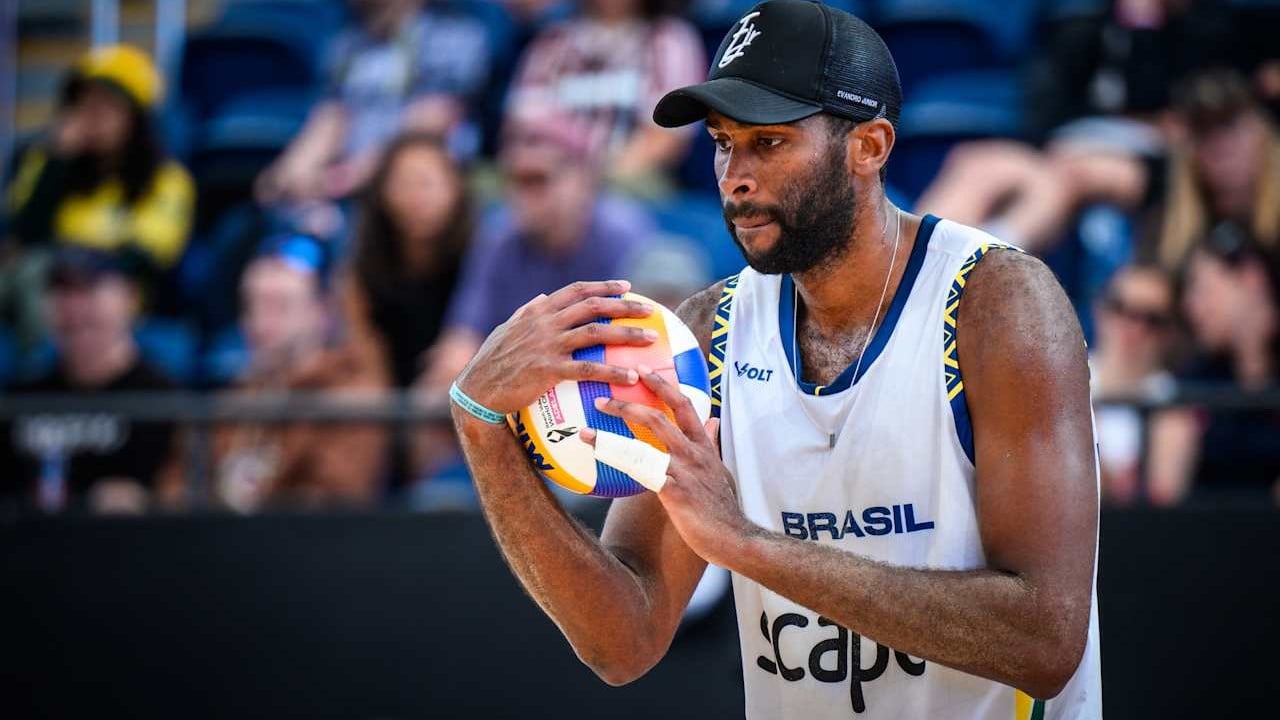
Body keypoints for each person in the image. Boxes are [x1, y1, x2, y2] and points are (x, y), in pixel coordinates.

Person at [447, 2, 1101, 718]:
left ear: (870, 146)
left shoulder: (997, 306)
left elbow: (1045, 642)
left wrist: (748, 546)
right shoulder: (707, 335)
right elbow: (624, 641)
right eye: (724, 142)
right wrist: (484, 430)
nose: (735, 175)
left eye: (768, 142)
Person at [423, 108, 654, 394]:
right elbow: (461, 341)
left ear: (582, 179)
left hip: (603, 385)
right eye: (516, 181)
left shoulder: (622, 233)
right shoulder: (499, 236)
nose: (523, 197)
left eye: (537, 180)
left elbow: (641, 344)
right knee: (438, 390)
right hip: (520, 386)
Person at [163, 235, 389, 512]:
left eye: (279, 306)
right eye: (251, 305)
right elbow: (176, 485)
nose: (260, 322)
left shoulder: (350, 400)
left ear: (322, 312)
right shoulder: (235, 397)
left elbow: (331, 504)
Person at [3, 45, 194, 348]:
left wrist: (78, 266)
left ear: (136, 118)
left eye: (107, 105)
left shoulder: (166, 178)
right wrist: (57, 165)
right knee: (31, 273)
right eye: (84, 104)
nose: (93, 116)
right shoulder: (46, 159)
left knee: (46, 279)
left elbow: (147, 259)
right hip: (44, 286)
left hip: (118, 296)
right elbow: (22, 235)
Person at [254, 0, 491, 210]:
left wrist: (342, 181)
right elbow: (331, 117)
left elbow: (431, 120)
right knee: (257, 227)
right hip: (347, 190)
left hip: (417, 191)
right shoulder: (350, 41)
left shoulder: (455, 33)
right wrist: (292, 172)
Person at [0, 247, 178, 514]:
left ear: (130, 299)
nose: (75, 308)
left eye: (89, 290)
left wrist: (147, 501)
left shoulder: (166, 402)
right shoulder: (22, 399)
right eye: (62, 292)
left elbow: (183, 498)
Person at [1147, 224, 1280, 507]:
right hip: (1207, 539)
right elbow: (1164, 495)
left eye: (1202, 288)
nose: (1190, 306)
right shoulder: (1193, 380)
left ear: (1250, 279)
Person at [507, 0, 705, 188]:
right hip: (549, 177)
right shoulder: (555, 39)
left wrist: (599, 177)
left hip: (627, 181)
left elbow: (669, 133)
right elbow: (523, 119)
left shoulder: (668, 38)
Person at [1089, 264, 1177, 505]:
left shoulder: (1175, 404)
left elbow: (1163, 502)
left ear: (1169, 333)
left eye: (1152, 319)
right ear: (1100, 310)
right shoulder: (1065, 381)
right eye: (1122, 308)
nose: (1134, 327)